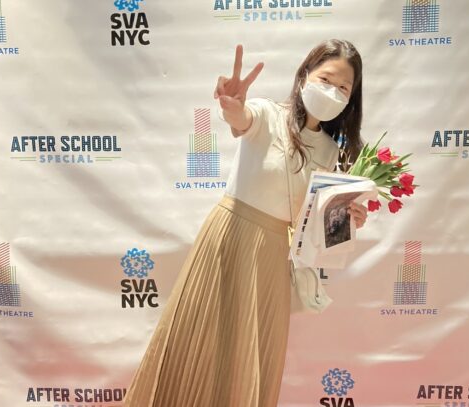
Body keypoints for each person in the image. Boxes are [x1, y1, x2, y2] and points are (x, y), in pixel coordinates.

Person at [124, 39, 368, 407]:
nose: (332, 91)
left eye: (343, 88)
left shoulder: (335, 153)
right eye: (326, 79)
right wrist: (232, 107)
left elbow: (319, 232)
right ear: (304, 75)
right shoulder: (267, 114)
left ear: (351, 99)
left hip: (273, 254)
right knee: (198, 341)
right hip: (228, 237)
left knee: (251, 357)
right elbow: (242, 119)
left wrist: (348, 220)